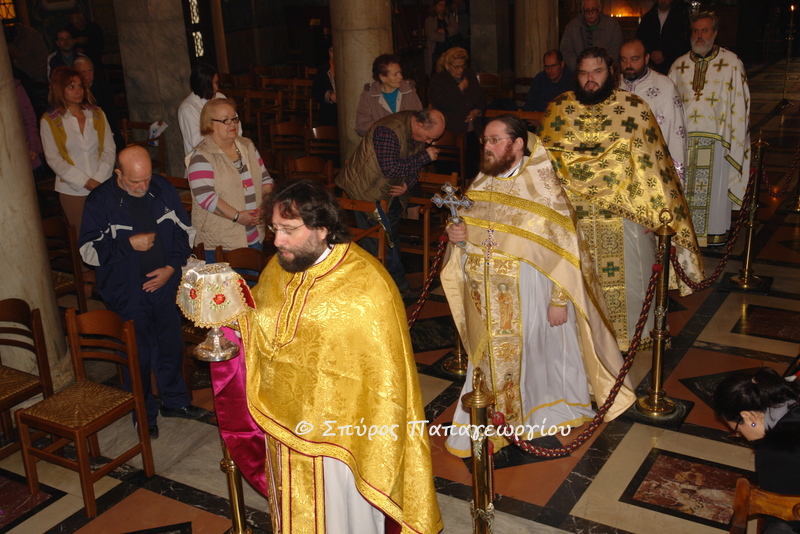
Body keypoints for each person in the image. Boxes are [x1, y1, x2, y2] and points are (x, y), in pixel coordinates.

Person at [243, 179, 442, 533]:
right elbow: (260, 316)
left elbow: (385, 382)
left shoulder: (368, 286)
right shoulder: (281, 266)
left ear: (321, 229)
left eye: (288, 230)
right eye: (274, 229)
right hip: (283, 419)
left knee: (340, 514)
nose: (277, 241)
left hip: (342, 435)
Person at [442, 114, 635, 457]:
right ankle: (494, 419)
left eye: (495, 140)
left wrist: (559, 300)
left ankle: (533, 413)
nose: (487, 147)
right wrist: (457, 235)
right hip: (484, 293)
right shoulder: (482, 183)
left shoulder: (543, 187)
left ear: (517, 144)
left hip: (530, 292)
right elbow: (469, 231)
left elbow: (565, 251)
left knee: (538, 356)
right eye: (485, 140)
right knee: (487, 358)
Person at [539, 47, 704, 351]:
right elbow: (543, 165)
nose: (590, 79)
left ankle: (632, 339)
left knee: (630, 283)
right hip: (574, 217)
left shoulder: (633, 108)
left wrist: (659, 215)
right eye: (584, 72)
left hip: (624, 215)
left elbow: (654, 166)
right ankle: (580, 343)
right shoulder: (559, 109)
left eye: (597, 71)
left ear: (611, 72)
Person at [79, 145, 203, 439]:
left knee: (170, 346)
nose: (144, 186)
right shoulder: (100, 200)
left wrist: (171, 268)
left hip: (165, 282)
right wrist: (128, 244)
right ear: (118, 174)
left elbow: (185, 233)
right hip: (127, 290)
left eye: (147, 178)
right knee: (138, 355)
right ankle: (144, 414)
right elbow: (88, 251)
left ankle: (175, 401)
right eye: (136, 181)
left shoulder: (161, 189)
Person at [336, 109, 445, 297]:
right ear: (419, 125)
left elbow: (414, 165)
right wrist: (425, 156)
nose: (429, 142)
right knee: (381, 241)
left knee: (391, 239)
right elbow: (391, 168)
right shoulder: (388, 130)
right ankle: (391, 290)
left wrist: (407, 184)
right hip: (366, 191)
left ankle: (391, 286)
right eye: (428, 137)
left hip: (389, 191)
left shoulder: (415, 131)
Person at [669, 12, 750, 247]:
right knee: (685, 191)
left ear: (714, 32)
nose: (699, 35)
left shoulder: (731, 63)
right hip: (684, 141)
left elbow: (741, 103)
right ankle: (687, 234)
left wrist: (736, 139)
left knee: (714, 191)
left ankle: (714, 235)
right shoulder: (679, 65)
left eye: (704, 30)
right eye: (695, 31)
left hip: (718, 141)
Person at [714, 368, 800, 534]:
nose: (743, 437)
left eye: (737, 431)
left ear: (749, 417)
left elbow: (783, 517)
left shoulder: (776, 454)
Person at [186, 99, 273, 262]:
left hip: (254, 236)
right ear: (209, 124)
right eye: (225, 120)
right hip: (221, 243)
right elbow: (206, 198)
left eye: (235, 118)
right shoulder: (202, 156)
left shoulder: (247, 145)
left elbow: (265, 179)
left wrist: (265, 205)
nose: (233, 124)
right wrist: (237, 216)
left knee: (253, 278)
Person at [40, 66, 114, 235]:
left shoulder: (96, 114)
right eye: (71, 87)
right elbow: (53, 158)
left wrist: (98, 178)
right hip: (72, 189)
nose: (78, 91)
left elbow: (109, 149)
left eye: (80, 86)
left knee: (110, 232)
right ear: (60, 89)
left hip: (102, 183)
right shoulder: (50, 120)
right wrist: (84, 181)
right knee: (85, 236)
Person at [619, 39, 687, 184]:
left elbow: (676, 134)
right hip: (620, 169)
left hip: (652, 169)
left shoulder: (665, 87)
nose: (628, 65)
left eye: (634, 59)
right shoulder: (613, 86)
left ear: (646, 58)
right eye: (624, 60)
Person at [429, 47, 485, 180]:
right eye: (456, 66)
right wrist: (459, 89)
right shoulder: (438, 80)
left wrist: (476, 111)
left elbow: (481, 97)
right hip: (450, 132)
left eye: (463, 66)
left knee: (472, 170)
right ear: (447, 65)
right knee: (451, 173)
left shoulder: (469, 75)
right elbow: (443, 102)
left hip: (471, 131)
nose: (460, 70)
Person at [355, 54, 423, 137]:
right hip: (382, 143)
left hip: (407, 141)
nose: (401, 77)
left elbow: (420, 120)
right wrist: (387, 127)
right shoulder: (368, 96)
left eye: (400, 72)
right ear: (382, 77)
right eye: (395, 74)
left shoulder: (409, 91)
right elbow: (361, 127)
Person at [178, 62, 237, 155]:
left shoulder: (221, 97)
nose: (216, 88)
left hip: (228, 151)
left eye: (216, 82)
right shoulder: (188, 108)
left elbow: (236, 125)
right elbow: (198, 142)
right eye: (211, 84)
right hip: (203, 157)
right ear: (201, 84)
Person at [73, 56, 124, 151]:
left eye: (90, 71)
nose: (87, 75)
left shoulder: (102, 87)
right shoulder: (73, 94)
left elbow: (110, 114)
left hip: (106, 130)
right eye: (83, 71)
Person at [560, 0, 623, 71]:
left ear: (599, 9)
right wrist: (580, 67)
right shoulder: (572, 27)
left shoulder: (612, 26)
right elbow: (566, 50)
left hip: (605, 71)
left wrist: (600, 68)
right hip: (579, 71)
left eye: (593, 10)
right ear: (582, 11)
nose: (590, 13)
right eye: (587, 10)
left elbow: (616, 51)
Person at [636, 0, 690, 76]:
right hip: (650, 65)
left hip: (673, 64)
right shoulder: (648, 17)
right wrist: (652, 53)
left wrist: (664, 53)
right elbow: (641, 39)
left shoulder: (680, 18)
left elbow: (682, 41)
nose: (663, 0)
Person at [523, 49, 573, 113]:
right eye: (546, 67)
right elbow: (529, 103)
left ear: (562, 64)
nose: (549, 70)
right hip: (538, 117)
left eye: (553, 66)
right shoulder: (540, 78)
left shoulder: (571, 80)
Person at [425, 0, 458, 75]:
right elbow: (432, 35)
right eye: (440, 5)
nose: (442, 8)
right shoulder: (430, 20)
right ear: (435, 6)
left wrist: (444, 30)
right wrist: (445, 35)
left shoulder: (449, 17)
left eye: (444, 5)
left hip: (448, 48)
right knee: (437, 70)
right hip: (436, 49)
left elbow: (455, 28)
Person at [312, 45, 337, 127]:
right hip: (329, 111)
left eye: (336, 50)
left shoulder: (349, 67)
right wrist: (330, 96)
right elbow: (316, 91)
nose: (334, 54)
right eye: (331, 51)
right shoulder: (323, 68)